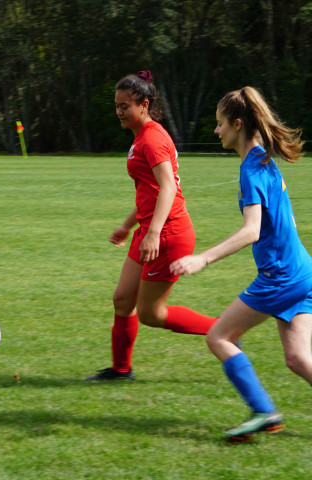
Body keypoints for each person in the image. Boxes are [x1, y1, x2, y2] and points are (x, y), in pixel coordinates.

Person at [170, 86, 312, 442]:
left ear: (237, 124)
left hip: (281, 276)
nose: (216, 131)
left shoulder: (252, 169)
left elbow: (251, 231)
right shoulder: (266, 160)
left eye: (220, 124)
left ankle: (264, 411)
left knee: (219, 336)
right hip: (301, 271)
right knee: (297, 358)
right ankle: (265, 412)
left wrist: (202, 258)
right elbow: (289, 222)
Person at [85, 70, 217, 381]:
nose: (119, 112)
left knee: (150, 313)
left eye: (125, 106)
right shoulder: (143, 136)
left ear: (144, 105)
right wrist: (128, 226)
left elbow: (168, 188)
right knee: (122, 299)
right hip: (150, 229)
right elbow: (150, 192)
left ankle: (222, 328)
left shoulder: (153, 139)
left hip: (168, 234)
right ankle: (120, 370)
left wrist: (153, 233)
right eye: (116, 105)